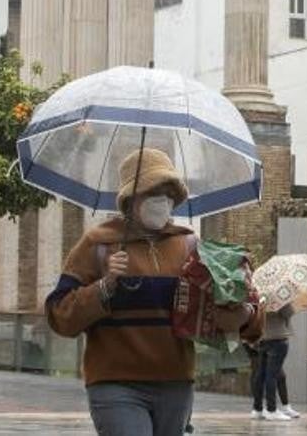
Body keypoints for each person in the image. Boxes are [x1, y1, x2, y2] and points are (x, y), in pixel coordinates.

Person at [46, 148, 264, 436]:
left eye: (168, 192)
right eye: (152, 191)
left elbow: (240, 316)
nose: (162, 200)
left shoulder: (190, 247)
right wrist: (104, 287)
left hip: (175, 384)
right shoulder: (97, 245)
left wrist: (245, 315)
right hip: (115, 385)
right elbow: (59, 315)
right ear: (129, 200)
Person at [252, 302, 298, 421]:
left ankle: (257, 409)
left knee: (261, 374)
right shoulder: (279, 296)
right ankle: (271, 410)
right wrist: (288, 302)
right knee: (272, 375)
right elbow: (289, 313)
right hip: (278, 339)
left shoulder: (258, 296)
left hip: (262, 339)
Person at [245, 341, 296, 420]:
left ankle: (259, 409)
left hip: (262, 341)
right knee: (270, 375)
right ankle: (271, 409)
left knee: (266, 374)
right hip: (264, 340)